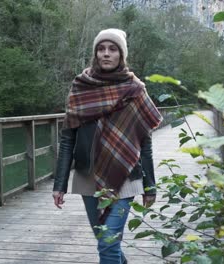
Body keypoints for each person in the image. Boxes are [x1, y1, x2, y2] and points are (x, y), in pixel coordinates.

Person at [52, 28, 162, 264]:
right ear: (95, 54)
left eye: (112, 49)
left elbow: (145, 142)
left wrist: (150, 186)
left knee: (108, 242)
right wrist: (59, 184)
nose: (106, 54)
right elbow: (67, 139)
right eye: (101, 49)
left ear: (121, 54)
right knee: (105, 241)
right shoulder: (80, 87)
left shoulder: (135, 90)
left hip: (126, 176)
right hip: (88, 176)